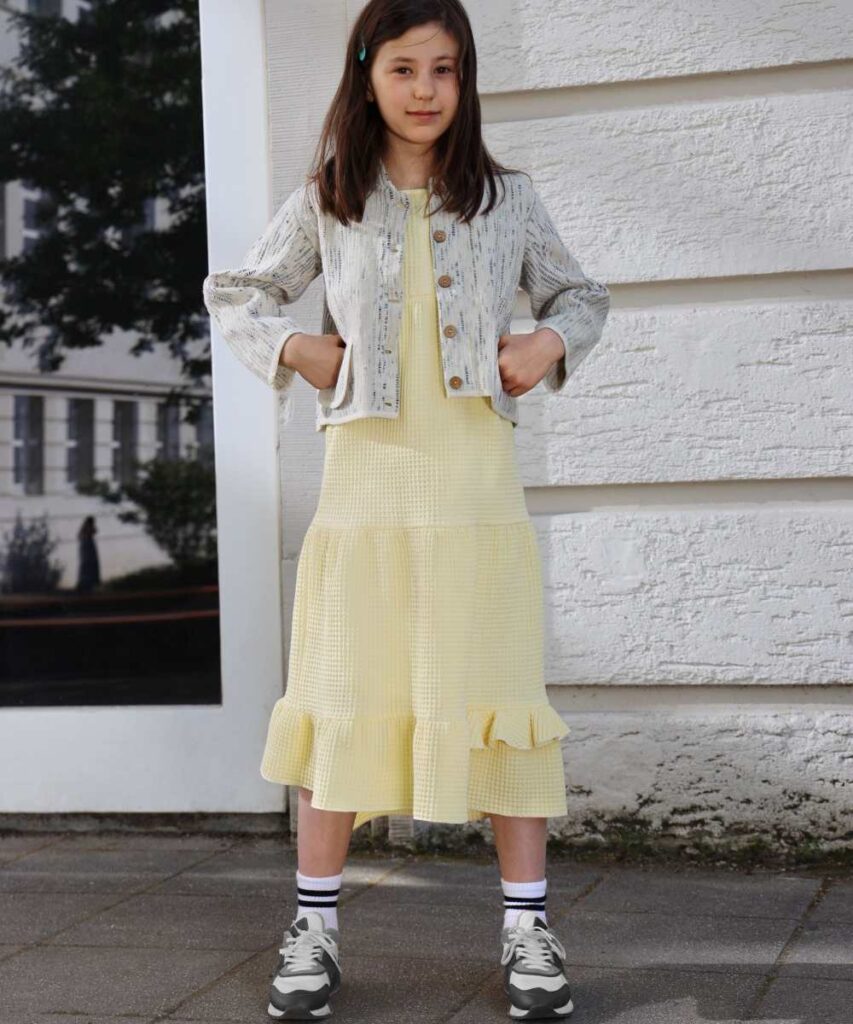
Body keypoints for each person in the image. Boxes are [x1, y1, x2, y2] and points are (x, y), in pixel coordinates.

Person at [203, 1, 610, 1018]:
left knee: (501, 698)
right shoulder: (329, 200)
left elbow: (580, 298)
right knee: (342, 693)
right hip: (366, 493)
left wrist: (545, 345)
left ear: (465, 80)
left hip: (476, 495)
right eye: (403, 68)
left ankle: (527, 930)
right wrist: (298, 349)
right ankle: (313, 927)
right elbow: (237, 293)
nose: (426, 89)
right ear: (366, 74)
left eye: (445, 69)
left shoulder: (507, 200)